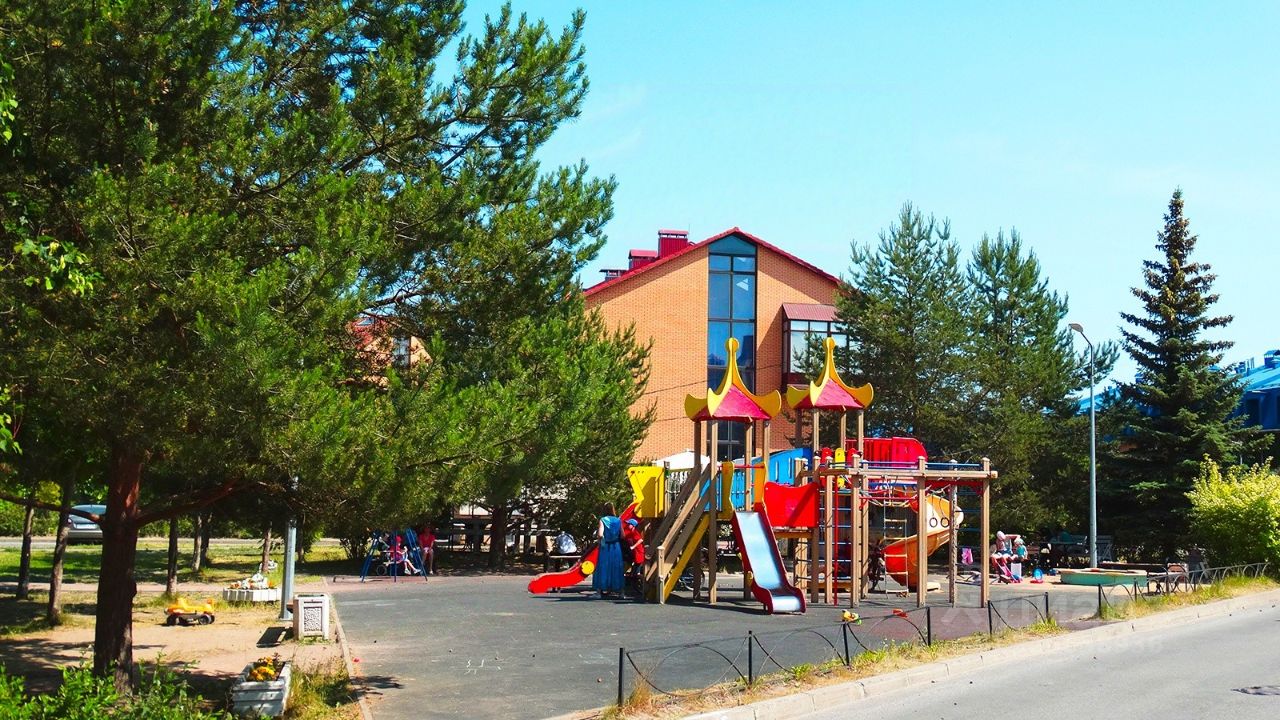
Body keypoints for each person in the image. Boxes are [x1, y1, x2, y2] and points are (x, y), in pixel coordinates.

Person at [592, 502, 625, 598]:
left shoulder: (603, 520)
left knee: (603, 567)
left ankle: (599, 592)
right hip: (616, 547)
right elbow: (623, 535)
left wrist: (601, 539)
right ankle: (621, 592)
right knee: (617, 567)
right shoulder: (618, 520)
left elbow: (600, 534)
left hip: (605, 547)